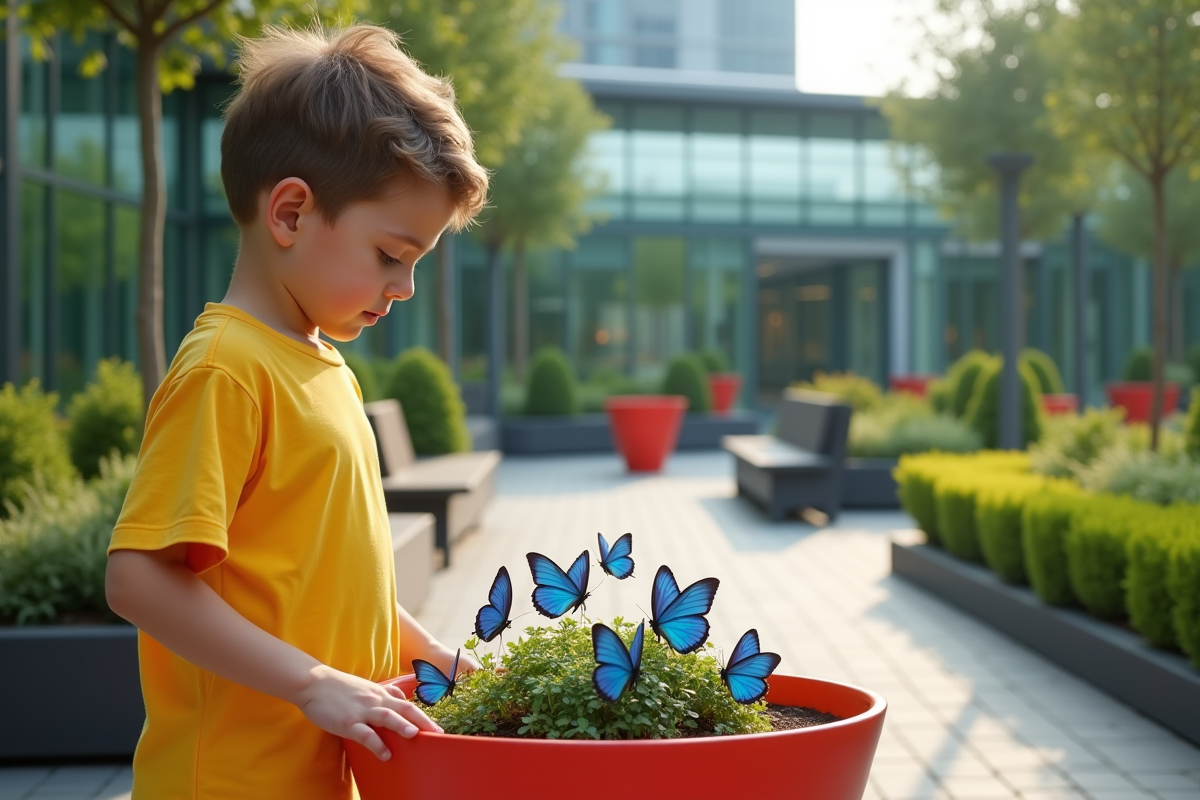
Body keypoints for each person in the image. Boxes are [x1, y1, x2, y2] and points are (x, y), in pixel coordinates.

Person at [104, 23, 489, 799]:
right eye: (391, 256)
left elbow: (334, 586)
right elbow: (137, 580)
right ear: (290, 213)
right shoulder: (227, 370)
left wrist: (430, 654)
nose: (403, 288)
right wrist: (314, 683)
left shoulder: (323, 368)